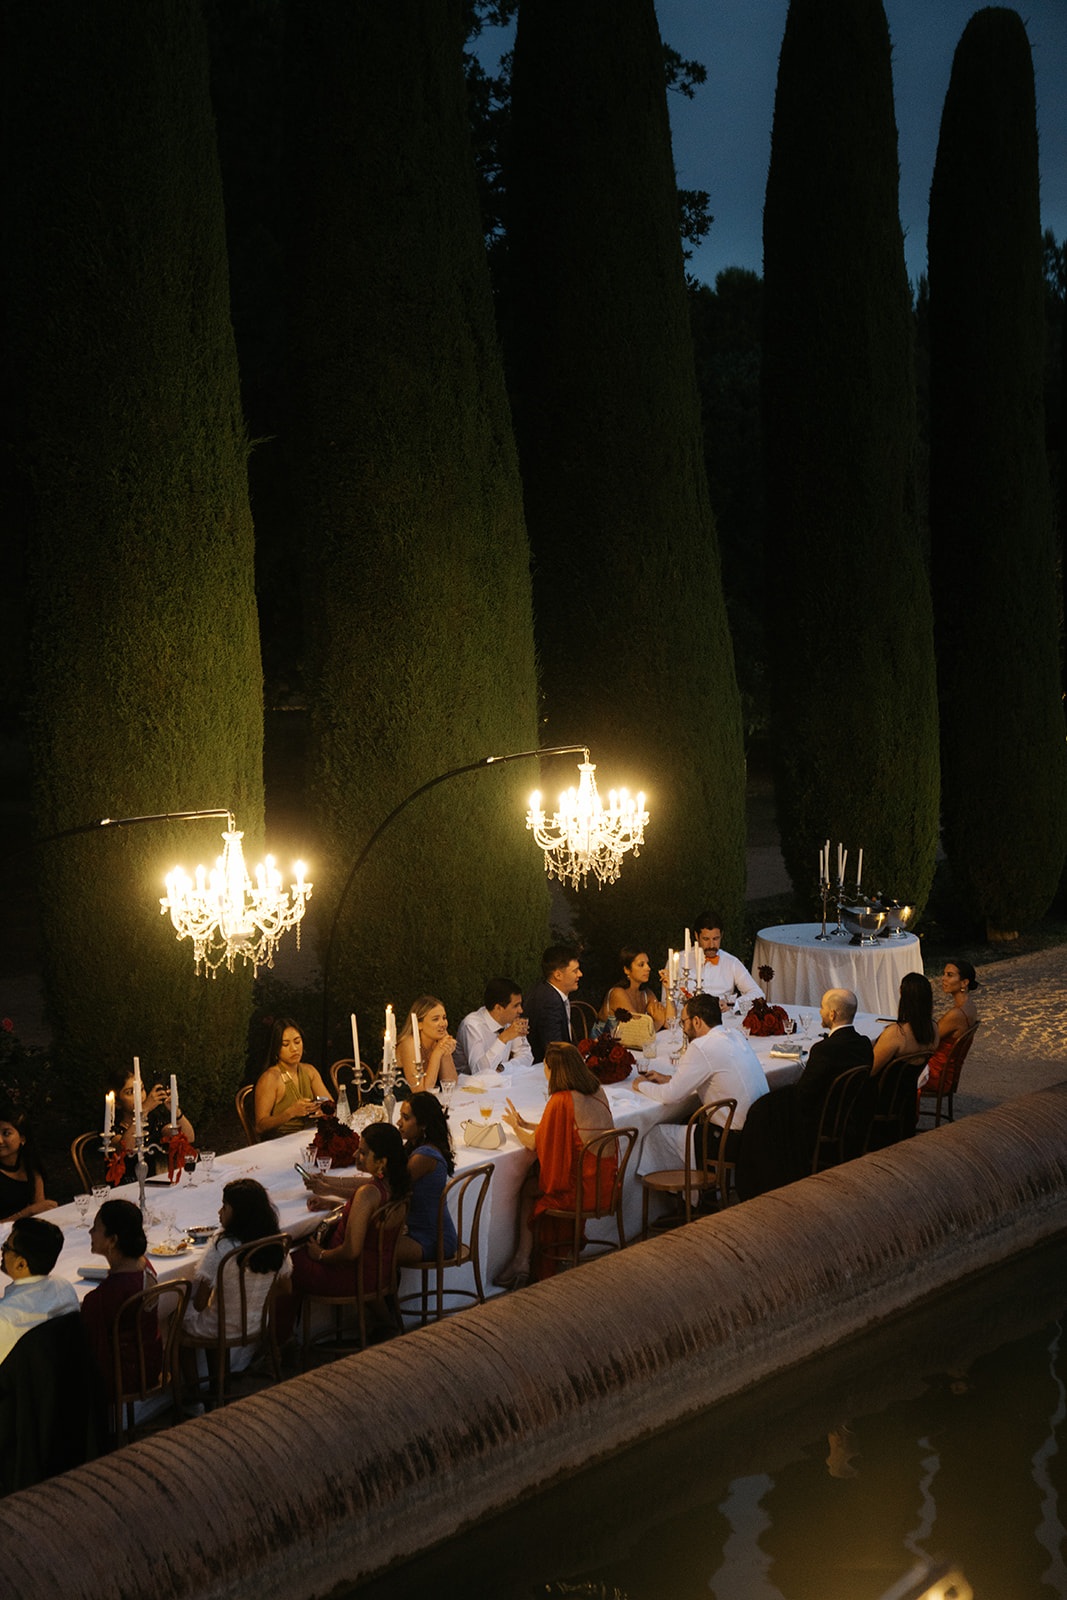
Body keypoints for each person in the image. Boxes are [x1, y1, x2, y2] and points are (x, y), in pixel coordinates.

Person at [735, 988, 873, 1200]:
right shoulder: (864, 1044)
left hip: (822, 1122)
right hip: (850, 1116)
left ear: (833, 1014)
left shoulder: (824, 1050)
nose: (820, 1012)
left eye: (823, 1008)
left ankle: (758, 1183)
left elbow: (803, 1097)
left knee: (763, 1110)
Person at [497, 1041, 616, 1285]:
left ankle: (521, 1259)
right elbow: (564, 1131)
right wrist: (526, 1123)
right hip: (608, 1183)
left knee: (530, 1188)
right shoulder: (596, 1090)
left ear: (553, 1070)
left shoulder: (561, 1100)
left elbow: (532, 1144)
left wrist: (514, 1126)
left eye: (546, 1069)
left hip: (583, 1192)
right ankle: (529, 1258)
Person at [633, 994, 768, 1171]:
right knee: (685, 1120)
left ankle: (681, 1195)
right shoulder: (735, 1035)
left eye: (684, 1022)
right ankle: (705, 1190)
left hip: (730, 1142)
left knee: (654, 1135)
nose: (683, 1029)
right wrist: (668, 1079)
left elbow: (671, 1096)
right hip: (758, 1134)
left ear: (696, 1021)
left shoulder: (702, 1046)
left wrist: (640, 1085)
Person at [291, 1123, 411, 1311]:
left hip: (351, 1276)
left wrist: (320, 1255)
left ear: (382, 1161)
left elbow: (351, 1251)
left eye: (363, 1152)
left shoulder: (369, 1193)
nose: (355, 1155)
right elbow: (369, 1218)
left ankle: (283, 1336)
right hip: (381, 1271)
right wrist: (330, 1203)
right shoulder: (396, 1186)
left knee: (286, 1265)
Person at [181, 1179, 291, 1373]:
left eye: (225, 1206)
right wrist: (254, 1299)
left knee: (177, 1320)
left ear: (237, 1212)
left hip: (222, 1327)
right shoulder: (275, 1241)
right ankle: (220, 1381)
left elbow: (199, 1303)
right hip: (257, 1323)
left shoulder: (222, 1246)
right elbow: (285, 1288)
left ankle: (194, 1393)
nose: (219, 1212)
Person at [80, 1199, 160, 1394]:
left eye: (95, 1228)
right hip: (152, 1362)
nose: (90, 1233)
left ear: (113, 1240)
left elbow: (91, 1348)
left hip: (124, 1376)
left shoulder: (103, 1297)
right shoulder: (145, 1266)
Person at [0, 1216, 78, 1367]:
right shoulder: (65, 1288)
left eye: (6, 1247)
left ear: (21, 1264)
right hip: (67, 1381)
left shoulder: (6, 1315)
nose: (2, 1251)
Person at [396, 1093, 458, 1265]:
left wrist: (330, 1188)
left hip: (434, 1239)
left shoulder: (424, 1156)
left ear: (423, 1124)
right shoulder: (416, 1148)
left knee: (372, 1248)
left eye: (405, 1117)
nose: (398, 1123)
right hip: (416, 1232)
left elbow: (386, 1186)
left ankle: (386, 1292)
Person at [106, 1068, 196, 1183]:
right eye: (130, 1092)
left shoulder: (153, 1122)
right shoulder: (111, 1129)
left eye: (141, 1089)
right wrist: (144, 1109)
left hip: (155, 1184)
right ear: (117, 1103)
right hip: (125, 1187)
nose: (139, 1096)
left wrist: (175, 1110)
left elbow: (189, 1137)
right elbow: (126, 1148)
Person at [254, 1017, 331, 1138]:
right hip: (280, 1142)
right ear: (276, 1048)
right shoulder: (271, 1078)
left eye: (297, 1042)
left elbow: (329, 1103)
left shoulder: (309, 1071)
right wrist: (290, 1113)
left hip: (309, 1136)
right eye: (285, 1044)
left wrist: (323, 1108)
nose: (294, 1049)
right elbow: (260, 1126)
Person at [923, 960, 980, 1096]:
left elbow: (927, 1040)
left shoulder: (956, 1014)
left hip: (936, 1076)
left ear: (964, 982)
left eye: (949, 975)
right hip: (947, 1073)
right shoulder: (970, 1006)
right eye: (944, 974)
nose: (943, 978)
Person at [455, 979, 534, 1075]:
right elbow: (479, 1072)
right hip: (467, 1085)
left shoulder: (511, 1020)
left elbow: (527, 1056)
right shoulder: (471, 1026)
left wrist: (503, 1067)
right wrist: (503, 1038)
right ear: (498, 1008)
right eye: (516, 1006)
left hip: (500, 1081)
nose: (521, 1010)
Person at [689, 914, 764, 1007]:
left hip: (723, 1018)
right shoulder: (680, 960)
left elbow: (758, 994)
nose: (711, 945)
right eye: (706, 939)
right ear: (696, 936)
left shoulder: (731, 962)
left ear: (721, 935)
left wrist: (732, 1004)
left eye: (716, 939)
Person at [524, 944, 582, 1062]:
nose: (580, 974)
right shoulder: (549, 1001)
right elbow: (555, 1048)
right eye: (575, 971)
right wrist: (589, 1047)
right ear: (558, 975)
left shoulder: (546, 989)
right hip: (543, 1070)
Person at [0, 1105, 57, 1222]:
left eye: (6, 1133)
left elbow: (40, 1209)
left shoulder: (30, 1166)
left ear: (22, 1139)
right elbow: (33, 1210)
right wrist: (25, 1213)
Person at [599, 947, 675, 1032]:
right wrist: (659, 1021)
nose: (648, 968)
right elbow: (638, 1032)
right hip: (604, 1043)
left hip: (633, 1044)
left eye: (647, 964)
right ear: (626, 970)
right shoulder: (617, 993)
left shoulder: (647, 994)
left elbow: (670, 1023)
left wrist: (669, 991)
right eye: (641, 965)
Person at [397, 997, 459, 1090]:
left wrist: (445, 1050)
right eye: (435, 1019)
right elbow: (421, 1091)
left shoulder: (437, 1041)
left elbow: (450, 1084)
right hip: (394, 1103)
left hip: (423, 1102)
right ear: (419, 1024)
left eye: (444, 1018)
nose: (443, 1023)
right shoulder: (409, 1044)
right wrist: (437, 1053)